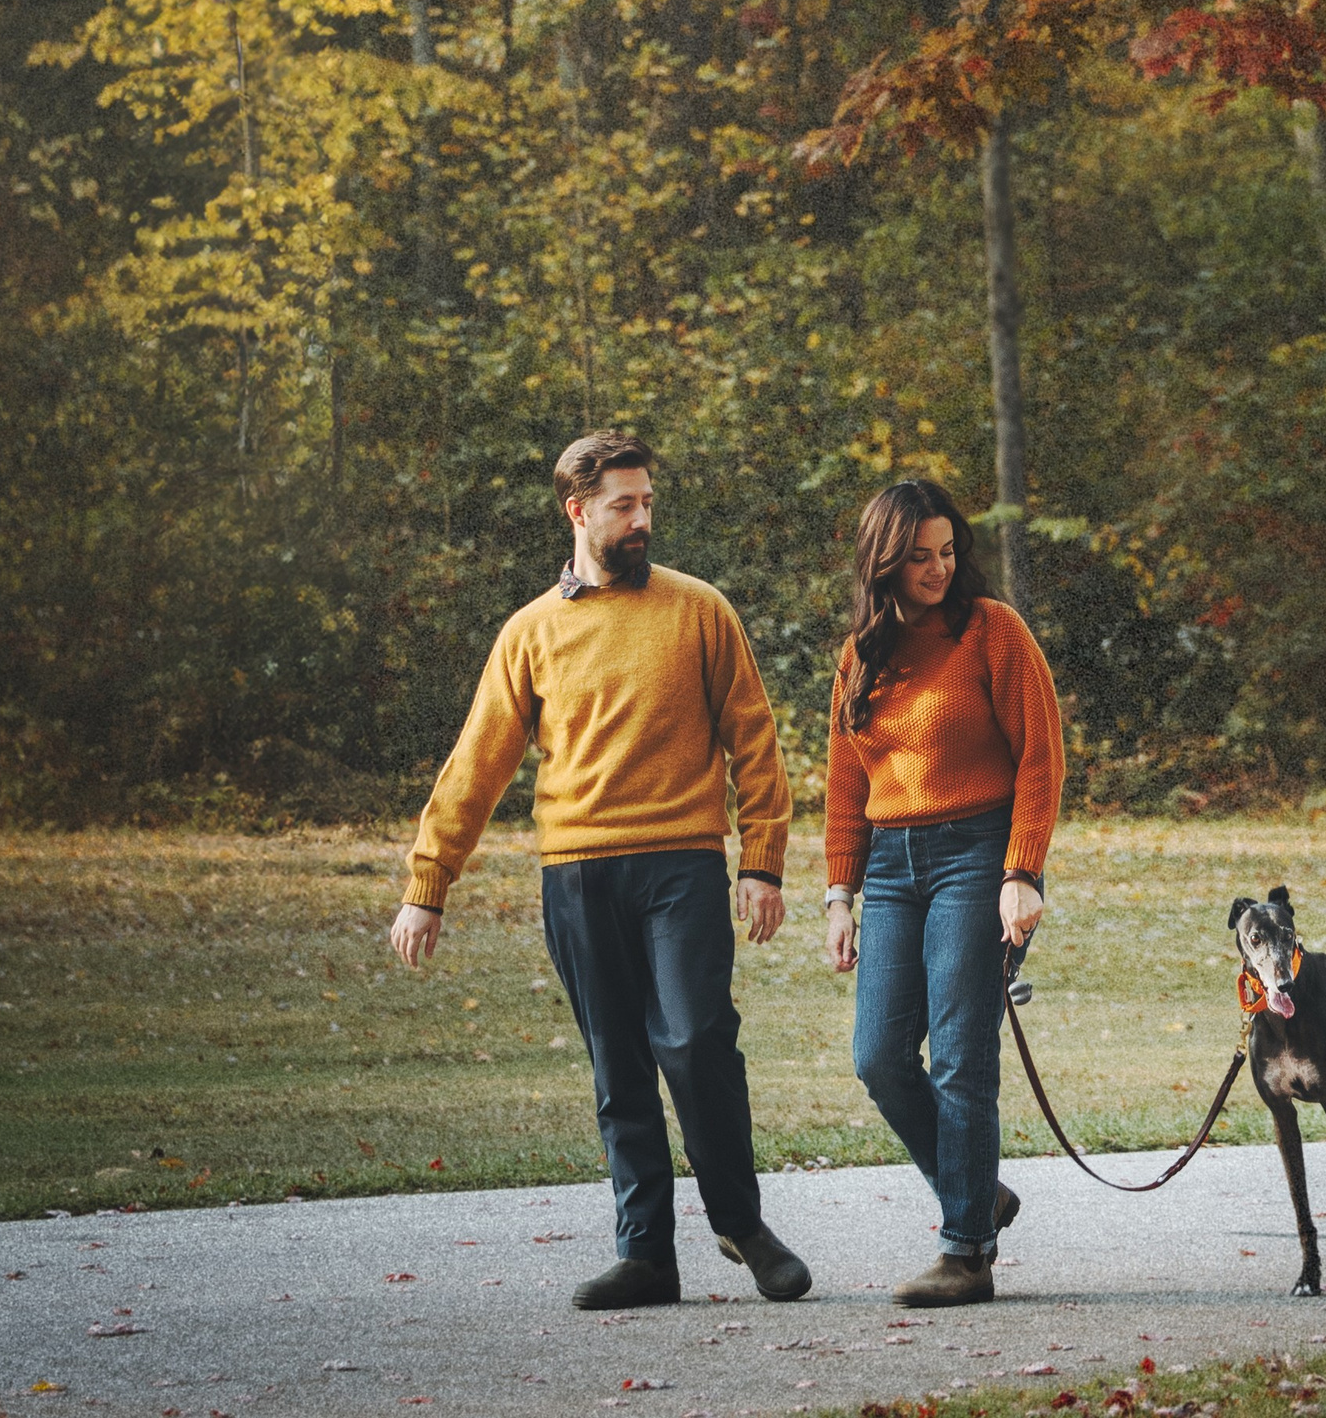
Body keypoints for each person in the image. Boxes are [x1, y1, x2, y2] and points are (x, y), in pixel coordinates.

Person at [388, 430, 810, 1311]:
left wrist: (761, 860)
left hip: (681, 865)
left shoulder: (700, 609)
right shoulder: (531, 631)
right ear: (579, 511)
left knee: (697, 1041)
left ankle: (741, 1220)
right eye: (625, 503)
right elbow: (478, 763)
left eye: (648, 501)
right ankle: (646, 1254)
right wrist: (429, 882)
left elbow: (755, 740)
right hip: (577, 874)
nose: (642, 517)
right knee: (618, 1067)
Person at [822, 477, 1066, 1308]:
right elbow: (845, 786)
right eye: (919, 555)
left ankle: (966, 1249)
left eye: (947, 551)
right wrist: (838, 895)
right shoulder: (860, 654)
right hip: (891, 866)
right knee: (880, 1056)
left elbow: (1040, 756)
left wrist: (1021, 872)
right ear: (884, 561)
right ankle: (978, 1190)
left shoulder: (992, 631)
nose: (937, 567)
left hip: (977, 854)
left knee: (963, 1055)